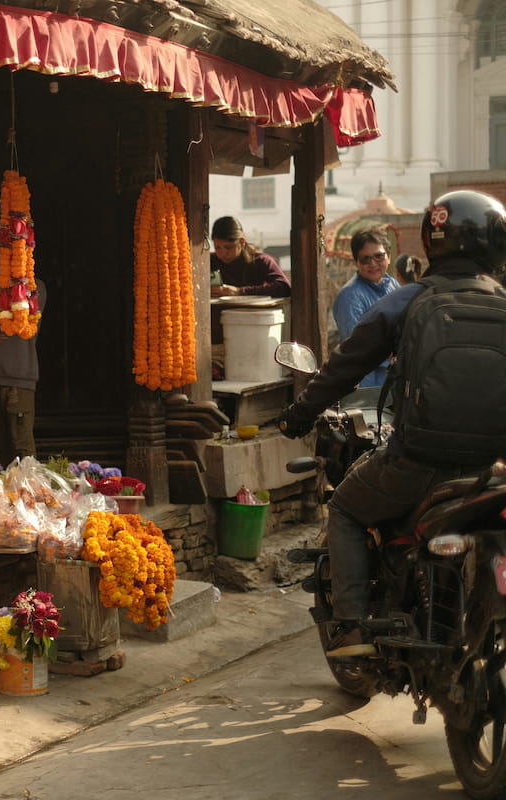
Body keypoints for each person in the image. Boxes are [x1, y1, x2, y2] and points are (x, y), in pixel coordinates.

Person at [277, 190, 506, 659]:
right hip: (493, 471)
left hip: (416, 464)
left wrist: (298, 415)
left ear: (430, 242)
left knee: (344, 508)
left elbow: (344, 366)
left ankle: (353, 625)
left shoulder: (406, 299)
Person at [0, 278, 47, 466]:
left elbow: (22, 314)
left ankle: (29, 488)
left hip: (18, 379)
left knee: (21, 445)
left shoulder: (34, 287)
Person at [332, 228, 400, 388]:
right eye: (365, 259)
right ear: (356, 261)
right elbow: (357, 348)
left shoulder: (393, 285)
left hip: (395, 381)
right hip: (368, 387)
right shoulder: (350, 297)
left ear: (388, 257)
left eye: (379, 256)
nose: (373, 264)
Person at [209, 216, 291, 297]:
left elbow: (284, 287)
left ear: (242, 242)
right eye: (217, 247)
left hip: (256, 310)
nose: (222, 253)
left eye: (228, 247)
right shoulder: (210, 262)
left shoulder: (261, 261)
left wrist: (240, 292)